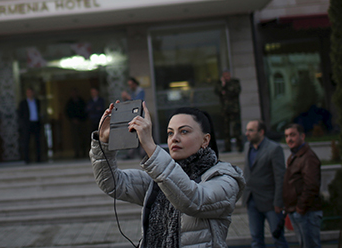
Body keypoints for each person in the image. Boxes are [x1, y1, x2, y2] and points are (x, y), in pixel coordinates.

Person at [90, 102, 245, 247]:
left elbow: (193, 200)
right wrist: (103, 143)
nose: (174, 139)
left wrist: (151, 146)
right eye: (170, 133)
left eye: (184, 131)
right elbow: (112, 183)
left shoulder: (226, 177)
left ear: (205, 140)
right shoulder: (159, 178)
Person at [243, 120, 288, 248]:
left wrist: (278, 202)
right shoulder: (248, 147)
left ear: (261, 132)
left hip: (270, 202)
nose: (247, 133)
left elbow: (280, 177)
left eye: (251, 130)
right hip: (251, 200)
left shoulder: (274, 149)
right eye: (247, 130)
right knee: (256, 239)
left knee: (278, 237)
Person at [283, 123, 322, 248]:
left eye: (293, 135)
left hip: (307, 212)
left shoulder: (308, 157)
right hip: (297, 211)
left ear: (302, 136)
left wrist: (300, 208)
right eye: (287, 136)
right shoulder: (294, 156)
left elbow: (311, 186)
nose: (289, 139)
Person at [214, 70, 243, 152]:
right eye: (224, 76)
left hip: (234, 109)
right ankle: (228, 147)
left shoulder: (235, 82)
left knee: (236, 128)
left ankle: (239, 146)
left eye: (227, 76)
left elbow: (235, 91)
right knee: (226, 130)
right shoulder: (220, 84)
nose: (226, 78)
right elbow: (217, 91)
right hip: (225, 110)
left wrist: (225, 90)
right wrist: (223, 85)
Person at [17, 87, 42, 163]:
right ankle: (27, 159)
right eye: (28, 92)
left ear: (33, 93)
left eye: (30, 92)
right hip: (27, 124)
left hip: (36, 123)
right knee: (26, 142)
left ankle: (38, 158)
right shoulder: (23, 103)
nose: (29, 94)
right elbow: (20, 114)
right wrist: (23, 123)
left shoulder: (37, 101)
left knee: (37, 141)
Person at [65, 88, 88, 158]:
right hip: (74, 123)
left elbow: (85, 111)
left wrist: (82, 119)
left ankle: (84, 152)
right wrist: (72, 119)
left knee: (83, 137)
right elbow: (67, 112)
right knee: (75, 138)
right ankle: (77, 153)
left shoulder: (81, 101)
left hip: (82, 122)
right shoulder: (69, 102)